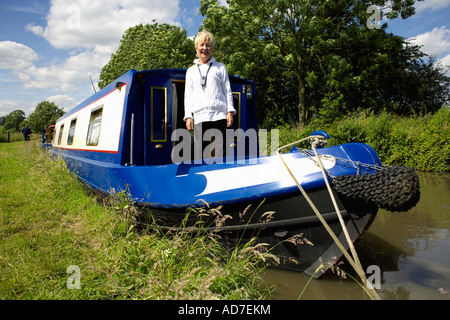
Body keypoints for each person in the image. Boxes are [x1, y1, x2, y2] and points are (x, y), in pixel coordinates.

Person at [184, 30, 235, 161]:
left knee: (218, 153)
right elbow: (188, 95)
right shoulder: (191, 71)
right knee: (199, 153)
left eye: (208, 46)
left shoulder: (220, 68)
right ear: (196, 48)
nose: (204, 48)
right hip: (200, 117)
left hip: (219, 116)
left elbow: (227, 91)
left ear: (211, 49)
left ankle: (217, 179)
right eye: (202, 45)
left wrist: (229, 111)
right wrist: (188, 116)